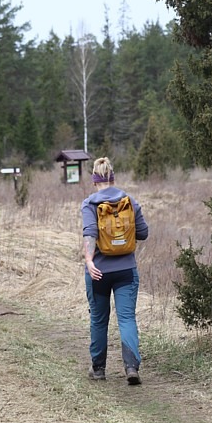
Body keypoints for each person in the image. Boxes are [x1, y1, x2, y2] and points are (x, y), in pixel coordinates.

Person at [81, 157, 149, 385]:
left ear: (94, 180)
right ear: (113, 177)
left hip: (98, 272)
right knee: (127, 318)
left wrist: (90, 261)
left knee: (99, 320)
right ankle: (131, 367)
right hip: (126, 271)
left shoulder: (90, 204)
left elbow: (90, 233)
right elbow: (143, 233)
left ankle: (98, 369)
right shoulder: (129, 201)